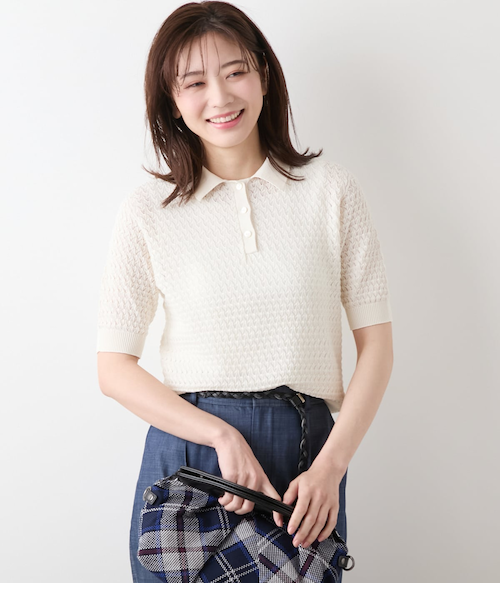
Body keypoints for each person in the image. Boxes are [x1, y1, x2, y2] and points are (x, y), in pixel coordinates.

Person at [96, 0, 394, 584]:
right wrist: (220, 435)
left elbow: (378, 348)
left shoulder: (332, 191)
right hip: (190, 459)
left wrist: (332, 466)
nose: (220, 96)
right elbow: (113, 368)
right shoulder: (147, 211)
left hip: (305, 464)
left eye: (235, 72)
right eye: (194, 82)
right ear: (172, 101)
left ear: (263, 76)